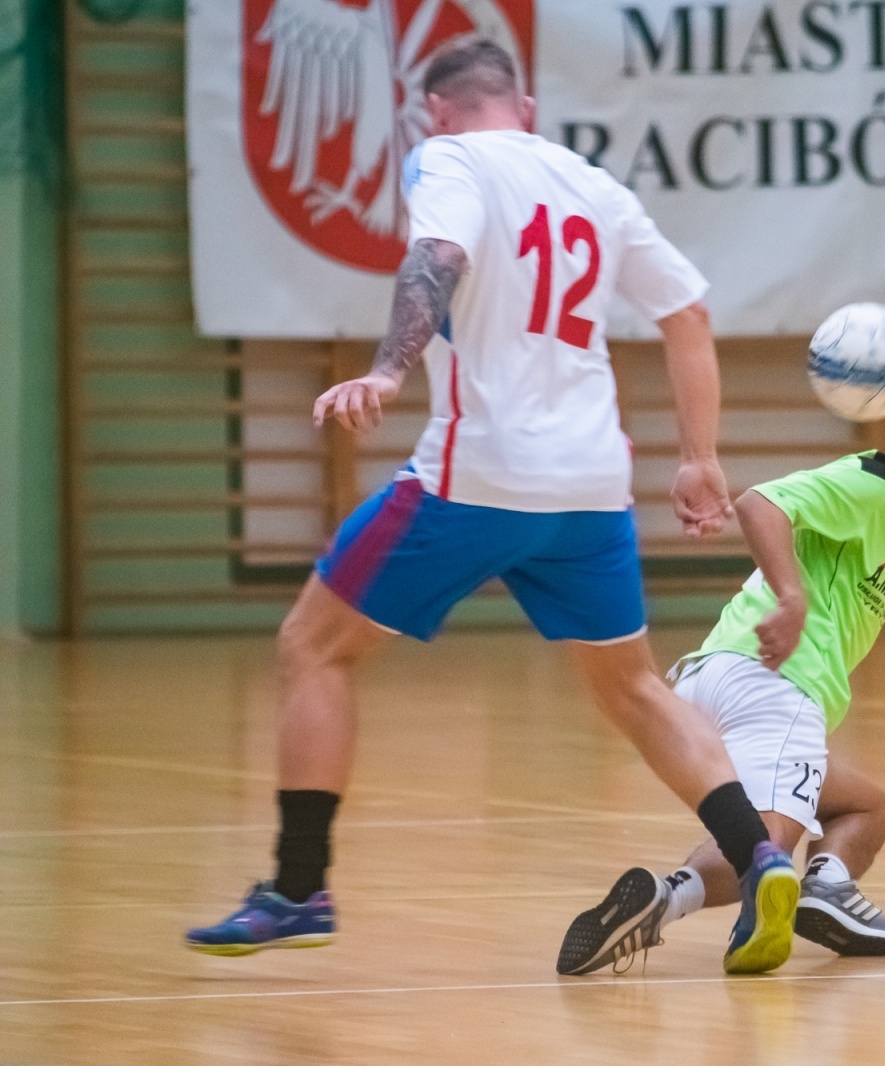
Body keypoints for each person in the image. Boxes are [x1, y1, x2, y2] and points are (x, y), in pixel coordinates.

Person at [186, 38, 798, 977]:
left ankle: (297, 888)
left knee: (312, 647)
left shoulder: (451, 159)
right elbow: (687, 316)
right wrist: (700, 458)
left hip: (478, 476)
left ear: (434, 110)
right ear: (527, 104)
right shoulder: (594, 185)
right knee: (634, 690)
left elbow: (438, 253)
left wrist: (389, 368)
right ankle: (758, 856)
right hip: (591, 485)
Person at [557, 362, 885, 976]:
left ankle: (829, 891)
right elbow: (760, 503)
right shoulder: (874, 484)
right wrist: (792, 599)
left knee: (865, 809)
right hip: (775, 683)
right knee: (766, 855)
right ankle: (666, 902)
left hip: (718, 675)